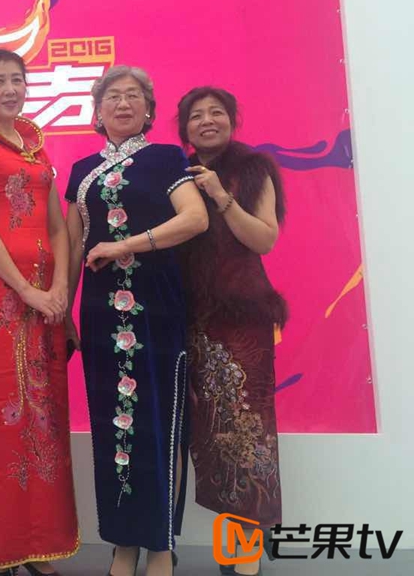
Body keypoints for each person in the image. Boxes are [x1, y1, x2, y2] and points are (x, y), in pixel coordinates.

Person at [64, 66, 207, 576]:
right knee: (113, 427)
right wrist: (64, 308)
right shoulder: (82, 169)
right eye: (112, 97)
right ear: (98, 110)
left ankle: (161, 545)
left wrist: (125, 244)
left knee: (160, 423)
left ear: (148, 110)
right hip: (100, 311)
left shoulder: (166, 158)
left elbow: (194, 218)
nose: (122, 104)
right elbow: (72, 246)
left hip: (156, 307)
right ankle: (124, 543)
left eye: (133, 97)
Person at [0, 50, 79, 576]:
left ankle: (40, 543)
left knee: (44, 419)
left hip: (45, 300)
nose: (10, 89)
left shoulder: (36, 147)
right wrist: (27, 290)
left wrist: (59, 288)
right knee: (1, 416)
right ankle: (4, 547)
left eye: (18, 80)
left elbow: (58, 227)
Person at [177, 87, 286, 576]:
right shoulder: (177, 174)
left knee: (248, 432)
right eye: (196, 115)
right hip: (194, 322)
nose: (206, 121)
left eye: (215, 112)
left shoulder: (253, 169)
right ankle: (238, 542)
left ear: (232, 119)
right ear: (184, 128)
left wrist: (222, 197)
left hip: (242, 321)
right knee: (213, 436)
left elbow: (264, 238)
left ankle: (245, 553)